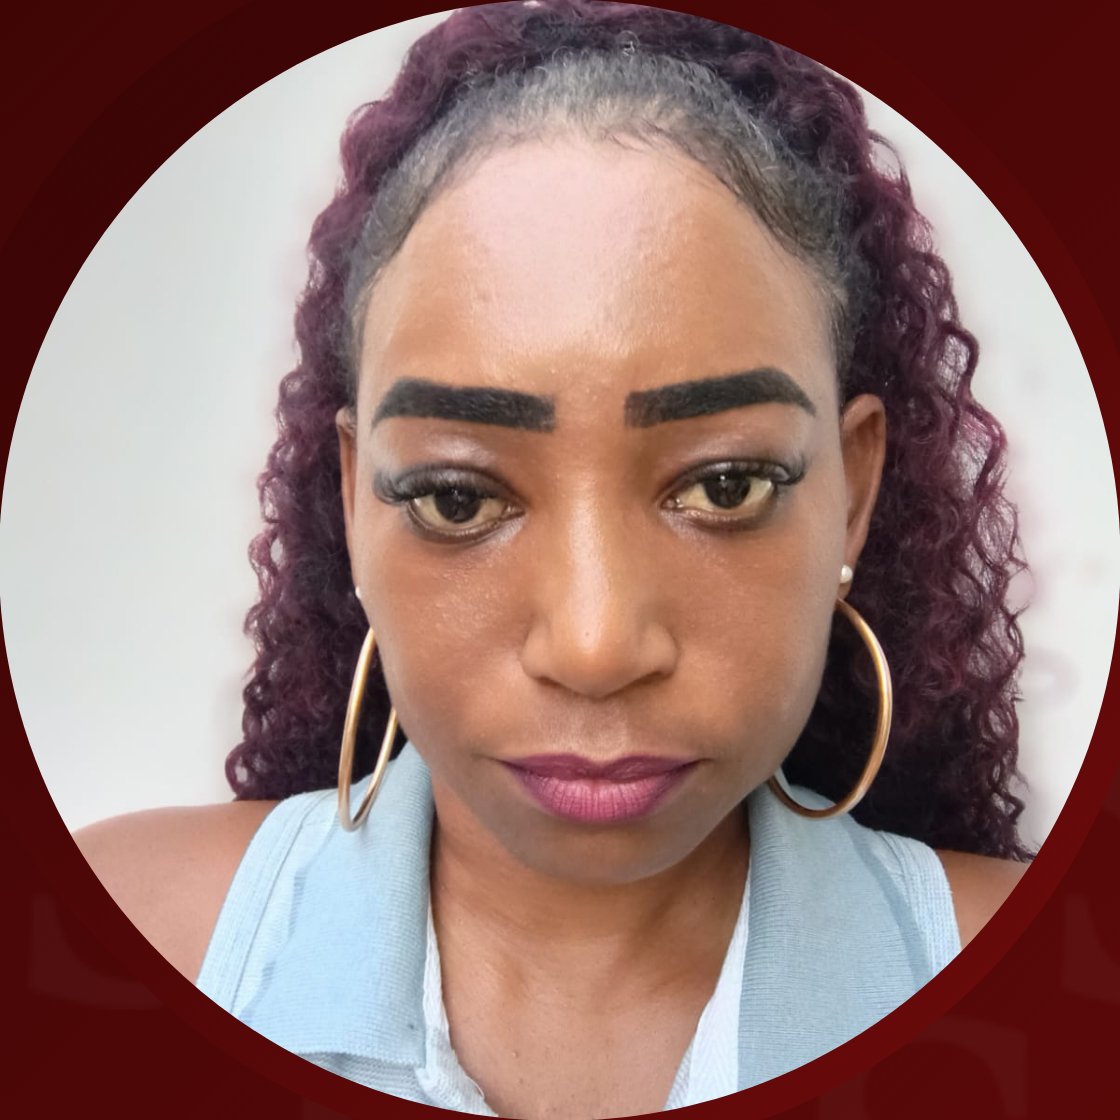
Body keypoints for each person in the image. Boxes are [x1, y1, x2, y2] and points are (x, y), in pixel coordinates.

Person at [75, 2, 1033, 1114]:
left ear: (851, 491)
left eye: (725, 485)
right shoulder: (107, 945)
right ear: (352, 500)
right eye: (457, 496)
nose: (594, 647)